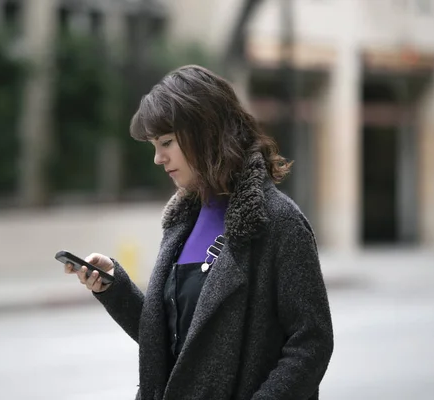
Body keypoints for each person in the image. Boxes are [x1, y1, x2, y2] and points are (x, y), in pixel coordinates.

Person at [64, 65, 334, 400]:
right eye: (153, 145)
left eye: (167, 142)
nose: (158, 158)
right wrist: (114, 287)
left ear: (206, 133)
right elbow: (175, 344)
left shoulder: (278, 221)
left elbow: (312, 342)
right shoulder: (182, 221)